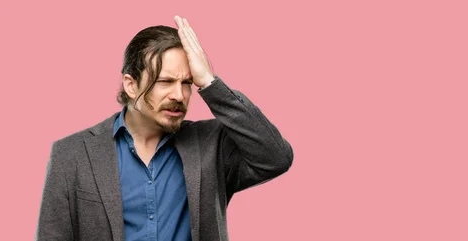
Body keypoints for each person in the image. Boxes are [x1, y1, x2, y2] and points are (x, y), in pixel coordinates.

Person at [36, 15, 293, 241]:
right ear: (131, 85)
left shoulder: (211, 144)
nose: (179, 95)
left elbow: (275, 158)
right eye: (166, 81)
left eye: (187, 83)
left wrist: (210, 83)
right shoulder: (71, 154)